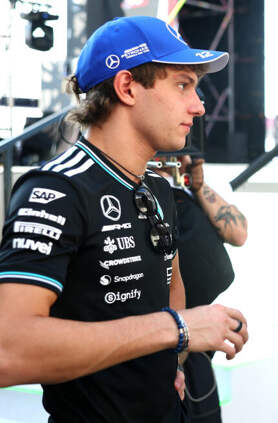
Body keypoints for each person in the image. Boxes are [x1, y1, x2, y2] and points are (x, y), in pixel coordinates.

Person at [0, 16, 249, 423]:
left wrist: (173, 359)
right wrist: (178, 329)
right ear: (127, 87)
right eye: (182, 85)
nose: (199, 106)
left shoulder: (158, 189)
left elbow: (171, 289)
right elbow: (8, 350)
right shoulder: (56, 191)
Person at [153, 148, 247, 422]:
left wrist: (198, 185)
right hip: (160, 341)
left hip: (197, 347)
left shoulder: (186, 191)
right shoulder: (144, 193)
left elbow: (239, 233)